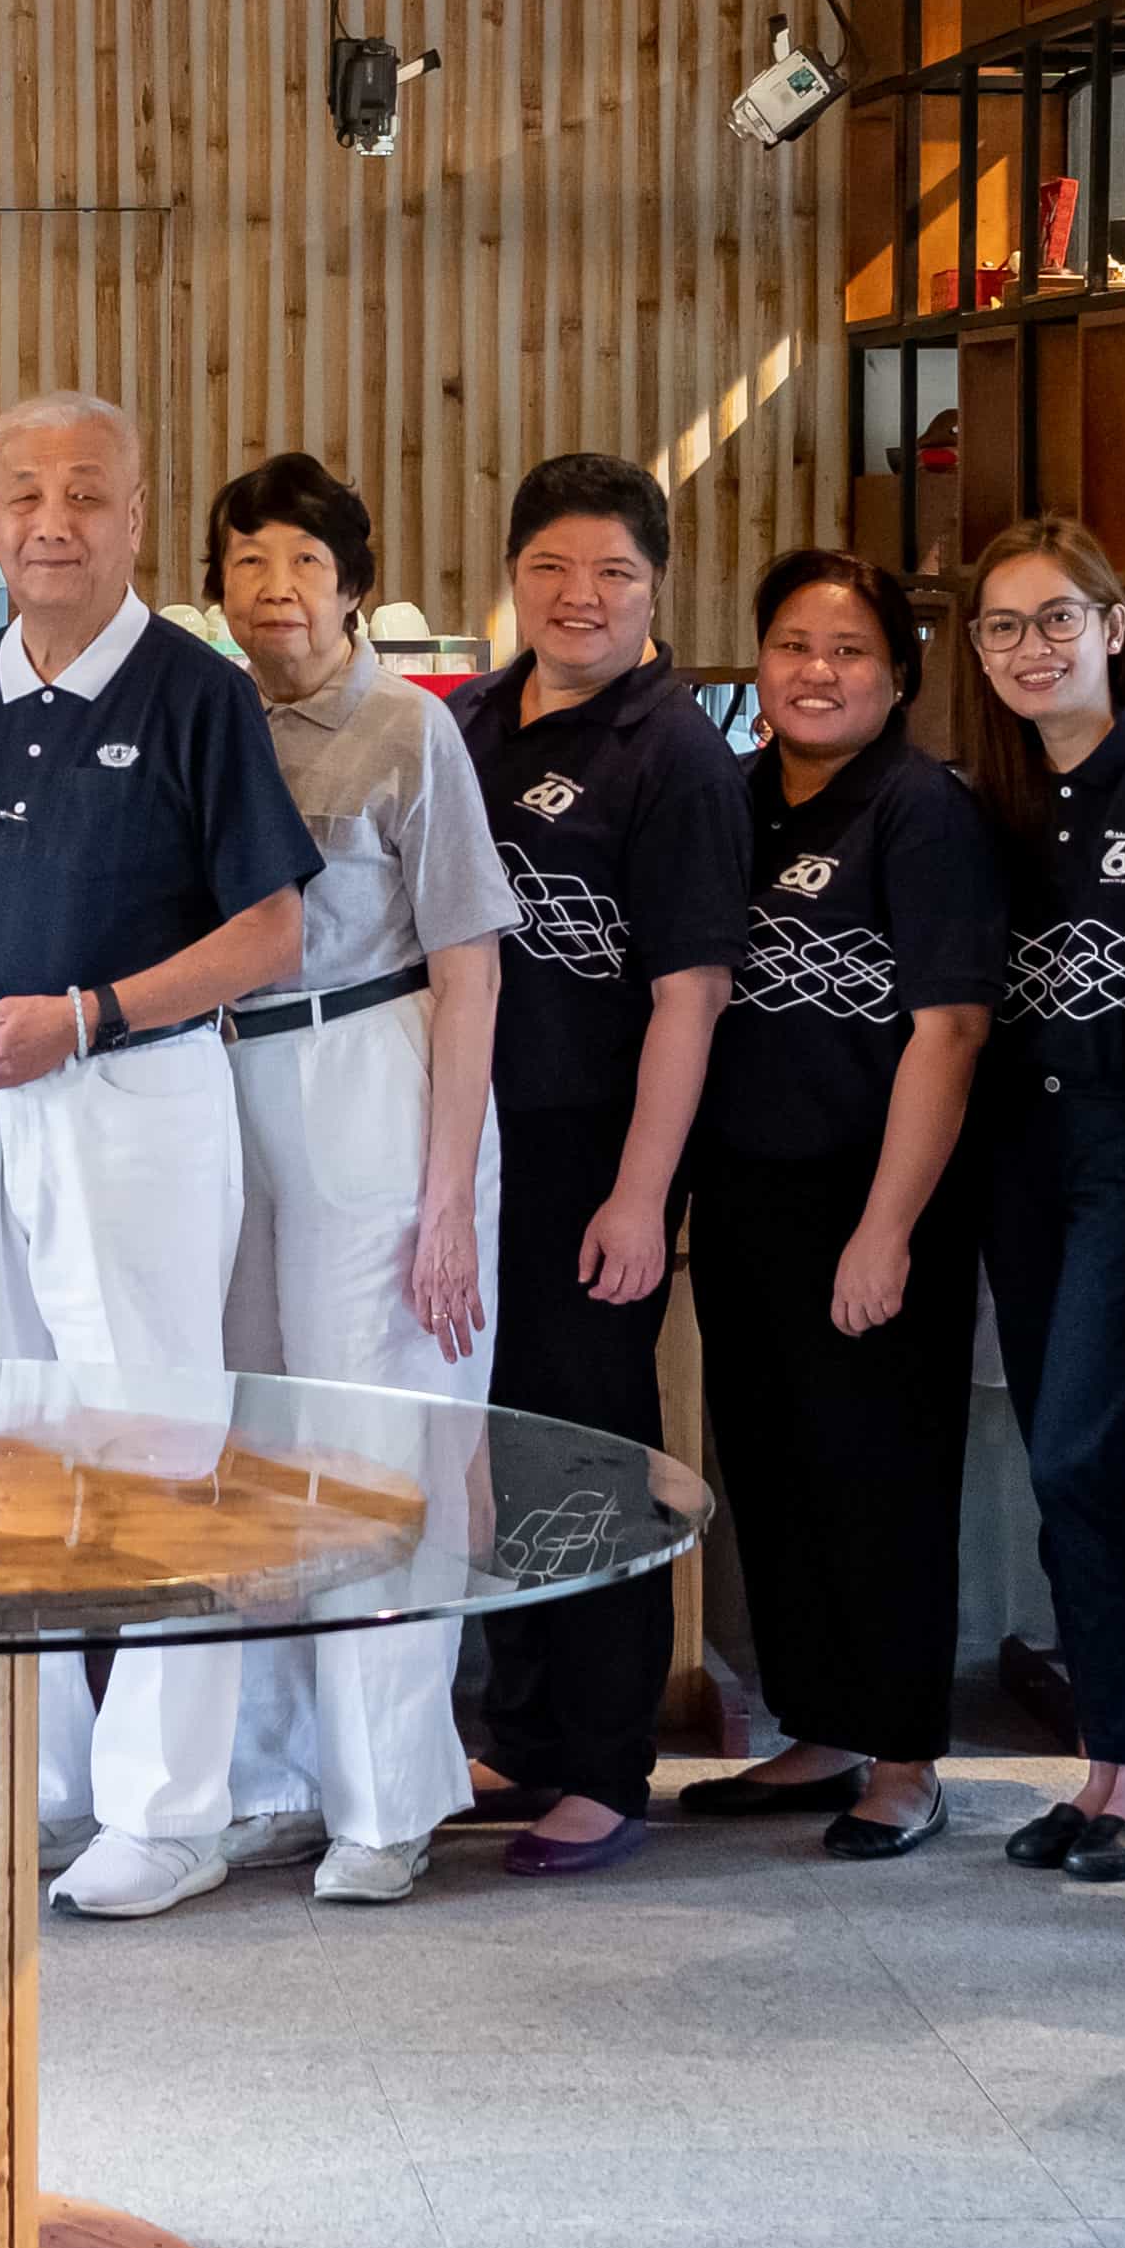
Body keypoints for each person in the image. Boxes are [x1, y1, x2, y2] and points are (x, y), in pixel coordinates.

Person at [0, 391, 312, 1923]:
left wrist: (90, 1013)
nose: (49, 518)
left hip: (132, 1100)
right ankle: (32, 1777)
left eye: (84, 492)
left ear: (135, 515)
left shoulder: (198, 692)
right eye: (21, 493)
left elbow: (272, 929)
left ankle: (172, 1804)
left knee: (155, 1449)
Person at [203, 456, 511, 1907]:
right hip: (218, 1088)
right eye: (249, 561)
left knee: (376, 1437)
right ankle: (268, 1777)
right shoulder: (200, 722)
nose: (276, 588)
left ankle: (388, 1793)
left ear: (355, 585)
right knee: (246, 1442)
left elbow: (467, 967)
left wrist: (447, 1197)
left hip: (370, 1071)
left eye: (305, 564)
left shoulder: (406, 730)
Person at [676, 549, 1000, 1859]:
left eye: (850, 648)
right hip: (748, 1192)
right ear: (759, 665)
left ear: (900, 672)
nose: (819, 671)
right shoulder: (736, 797)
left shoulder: (921, 810)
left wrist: (886, 1227)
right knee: (775, 1467)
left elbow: (954, 1028)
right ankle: (819, 1725)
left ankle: (906, 1753)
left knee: (884, 1475)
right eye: (795, 645)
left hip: (874, 1200)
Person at [448, 455, 744, 1880]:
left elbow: (690, 996)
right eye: (554, 569)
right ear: (513, 577)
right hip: (474, 1153)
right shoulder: (474, 722)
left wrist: (642, 1193)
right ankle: (519, 1723)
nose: (582, 597)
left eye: (614, 574)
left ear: (655, 590)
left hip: (592, 1161)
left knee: (593, 1445)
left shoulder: (673, 754)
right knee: (498, 1439)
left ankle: (606, 1759)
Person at [958, 518, 1125, 1884]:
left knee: (1077, 1454)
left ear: (1114, 623)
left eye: (1058, 618)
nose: (1031, 647)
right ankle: (1110, 1764)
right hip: (1021, 1161)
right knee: (1062, 1459)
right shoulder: (985, 799)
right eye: (1002, 626)